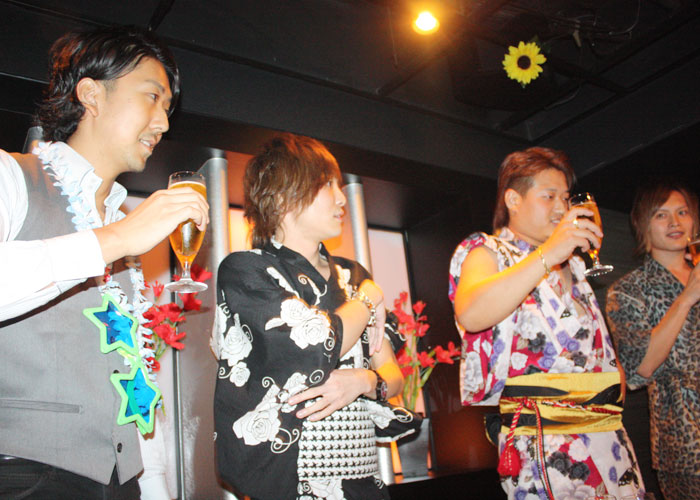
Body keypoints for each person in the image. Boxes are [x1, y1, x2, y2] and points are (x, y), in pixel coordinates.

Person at [0, 26, 209, 498]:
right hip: (24, 474)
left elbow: (133, 379)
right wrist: (116, 238)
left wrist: (152, 486)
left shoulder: (122, 229)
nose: (163, 123)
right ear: (91, 94)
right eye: (152, 97)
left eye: (168, 108)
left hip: (120, 482)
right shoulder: (11, 175)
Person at [211, 133, 417, 500]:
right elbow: (317, 342)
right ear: (281, 196)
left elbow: (393, 375)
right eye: (327, 185)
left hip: (362, 475)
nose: (341, 198)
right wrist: (370, 297)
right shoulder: (246, 270)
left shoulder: (353, 275)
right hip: (290, 480)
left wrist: (364, 380)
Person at [448, 147, 644, 499]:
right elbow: (472, 313)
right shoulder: (488, 250)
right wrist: (548, 253)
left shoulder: (575, 265)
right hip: (544, 442)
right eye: (548, 196)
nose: (561, 208)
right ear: (513, 199)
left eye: (565, 198)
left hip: (608, 435)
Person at [606, 181, 700, 500]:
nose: (675, 222)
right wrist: (687, 298)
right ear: (643, 225)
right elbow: (641, 367)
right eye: (661, 215)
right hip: (687, 440)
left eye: (682, 212)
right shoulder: (628, 290)